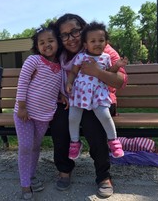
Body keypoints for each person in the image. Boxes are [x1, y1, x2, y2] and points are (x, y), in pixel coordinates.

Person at [49, 13, 128, 198]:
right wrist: (61, 93)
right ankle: (64, 169)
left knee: (93, 123)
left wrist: (97, 71)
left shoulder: (101, 46)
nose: (71, 38)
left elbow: (121, 81)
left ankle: (103, 176)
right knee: (60, 120)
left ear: (83, 30)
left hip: (100, 100)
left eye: (75, 31)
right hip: (74, 100)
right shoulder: (61, 55)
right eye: (65, 35)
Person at [14, 22, 62, 200]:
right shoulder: (33, 60)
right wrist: (22, 107)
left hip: (44, 115)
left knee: (35, 147)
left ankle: (31, 176)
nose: (46, 44)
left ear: (58, 43)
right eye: (41, 42)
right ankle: (25, 184)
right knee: (26, 146)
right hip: (25, 113)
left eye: (50, 40)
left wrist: (63, 95)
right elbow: (23, 83)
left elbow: (57, 86)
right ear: (37, 46)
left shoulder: (60, 65)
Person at [65, 21, 128, 160]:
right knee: (73, 118)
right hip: (80, 93)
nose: (97, 43)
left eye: (101, 40)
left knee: (105, 116)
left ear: (106, 43)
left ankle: (113, 141)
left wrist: (117, 65)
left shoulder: (106, 57)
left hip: (98, 93)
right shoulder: (81, 57)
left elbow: (110, 72)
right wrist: (69, 83)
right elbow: (73, 72)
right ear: (85, 45)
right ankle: (75, 142)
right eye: (93, 41)